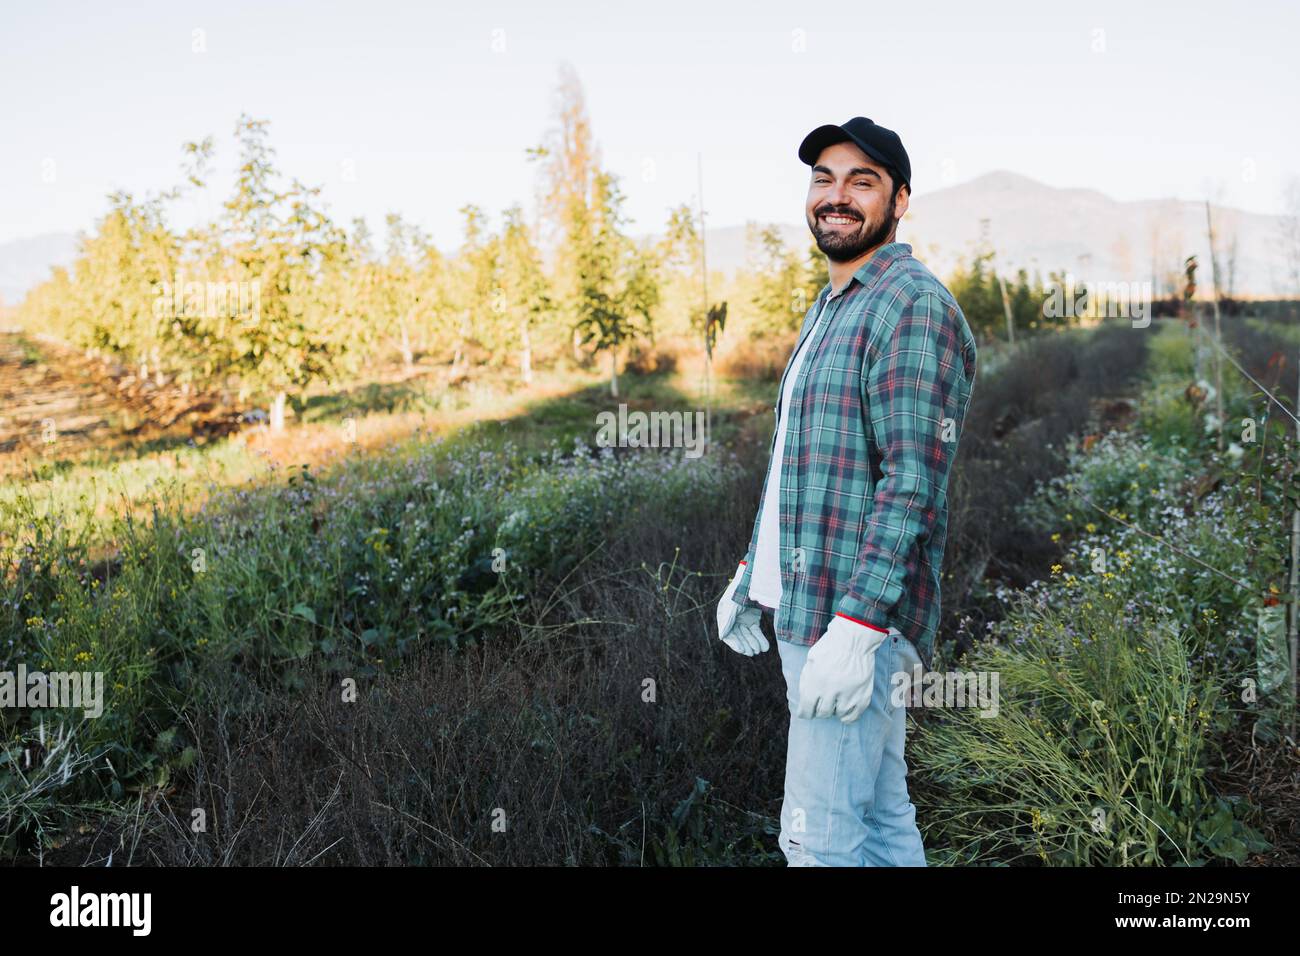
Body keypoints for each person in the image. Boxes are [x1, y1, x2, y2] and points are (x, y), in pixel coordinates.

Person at [715, 116, 978, 867]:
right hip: (807, 603)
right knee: (881, 816)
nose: (837, 196)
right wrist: (747, 573)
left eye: (861, 182)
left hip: (849, 619)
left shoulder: (909, 305)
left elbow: (913, 482)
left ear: (898, 202)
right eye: (824, 179)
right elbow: (800, 461)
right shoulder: (835, 303)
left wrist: (859, 628)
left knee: (817, 840)